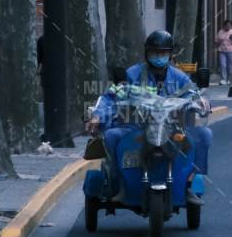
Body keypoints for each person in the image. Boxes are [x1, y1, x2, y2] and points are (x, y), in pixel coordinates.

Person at [85, 30, 211, 190]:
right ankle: (117, 183)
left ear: (170, 55)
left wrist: (201, 101)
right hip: (135, 127)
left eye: (163, 52)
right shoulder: (132, 74)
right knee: (111, 136)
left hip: (172, 128)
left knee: (204, 135)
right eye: (154, 52)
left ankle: (191, 179)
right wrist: (97, 116)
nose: (159, 56)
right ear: (147, 53)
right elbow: (111, 97)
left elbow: (193, 94)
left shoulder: (180, 77)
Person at [215, 18, 232, 85]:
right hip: (222, 50)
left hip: (230, 50)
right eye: (227, 25)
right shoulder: (220, 32)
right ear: (224, 26)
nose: (229, 27)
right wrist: (216, 47)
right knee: (223, 64)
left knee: (230, 65)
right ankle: (223, 79)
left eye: (230, 25)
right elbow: (217, 41)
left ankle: (229, 79)